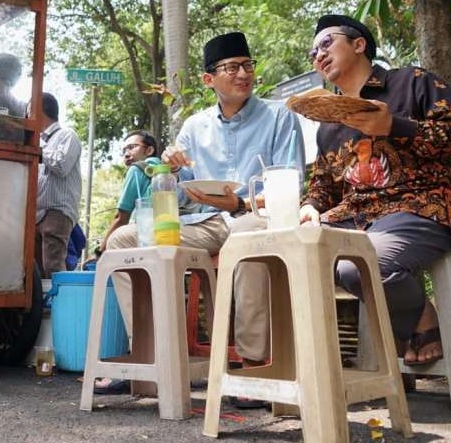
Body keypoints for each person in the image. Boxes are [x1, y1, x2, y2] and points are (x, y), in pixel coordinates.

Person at [104, 32, 304, 402]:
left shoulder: (280, 115)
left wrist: (242, 206)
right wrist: (172, 170)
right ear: (209, 79)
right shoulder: (195, 127)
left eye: (247, 65)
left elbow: (289, 181)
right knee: (122, 241)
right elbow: (182, 197)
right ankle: (155, 353)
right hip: (208, 222)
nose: (243, 74)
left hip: (255, 215)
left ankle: (252, 363)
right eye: (231, 67)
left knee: (247, 237)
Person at [299, 14, 451, 366]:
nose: (318, 54)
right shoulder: (327, 125)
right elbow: (322, 184)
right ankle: (320, 372)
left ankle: (420, 320)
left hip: (420, 206)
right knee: (291, 254)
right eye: (313, 52)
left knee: (357, 267)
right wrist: (310, 207)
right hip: (353, 216)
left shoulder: (412, 82)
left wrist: (395, 126)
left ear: (359, 44)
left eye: (326, 43)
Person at [33, 92, 82, 279]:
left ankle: (58, 307)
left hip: (56, 211)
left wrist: (38, 149)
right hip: (38, 213)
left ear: (38, 110)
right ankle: (43, 307)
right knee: (37, 271)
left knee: (52, 266)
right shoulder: (43, 142)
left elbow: (61, 165)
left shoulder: (67, 135)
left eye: (29, 111)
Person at [99, 130, 162, 253]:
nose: (126, 154)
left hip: (147, 235)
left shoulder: (136, 169)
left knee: (117, 244)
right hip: (172, 231)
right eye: (124, 151)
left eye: (132, 147)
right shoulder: (167, 171)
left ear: (149, 150)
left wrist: (99, 252)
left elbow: (121, 218)